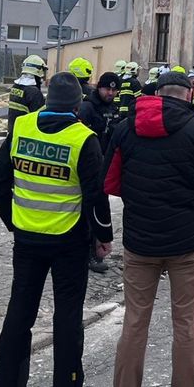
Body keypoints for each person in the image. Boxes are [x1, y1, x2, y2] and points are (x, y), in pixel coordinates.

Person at [104, 71, 194, 387]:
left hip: (139, 242)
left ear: (157, 93)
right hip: (186, 243)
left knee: (134, 323)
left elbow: (110, 182)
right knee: (185, 323)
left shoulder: (125, 129)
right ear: (189, 95)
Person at [0, 73, 112, 387]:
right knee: (68, 315)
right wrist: (103, 237)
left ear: (46, 99)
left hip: (27, 237)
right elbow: (95, 196)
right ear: (77, 106)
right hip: (68, 239)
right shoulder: (83, 138)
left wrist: (13, 221)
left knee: (20, 310)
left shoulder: (22, 128)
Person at [80, 71, 121, 275]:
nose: (110, 93)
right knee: (87, 210)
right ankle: (87, 253)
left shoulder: (113, 108)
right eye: (107, 89)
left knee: (99, 209)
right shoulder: (87, 107)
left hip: (103, 165)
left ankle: (97, 250)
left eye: (114, 90)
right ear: (99, 88)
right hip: (86, 166)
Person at [7, 55, 47, 134]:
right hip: (26, 134)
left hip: (13, 132)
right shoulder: (34, 92)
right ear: (38, 71)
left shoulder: (15, 87)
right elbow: (41, 118)